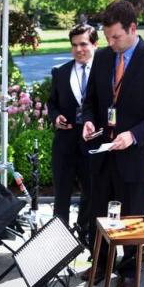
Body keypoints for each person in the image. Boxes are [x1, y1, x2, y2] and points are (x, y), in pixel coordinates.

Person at [81, 0, 144, 287]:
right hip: (102, 154)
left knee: (132, 215)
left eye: (116, 37)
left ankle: (129, 270)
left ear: (133, 28)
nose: (110, 43)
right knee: (98, 210)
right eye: (108, 37)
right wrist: (87, 121)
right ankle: (99, 262)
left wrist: (134, 135)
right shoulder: (103, 57)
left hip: (135, 156)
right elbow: (91, 102)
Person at [47, 24, 98, 243]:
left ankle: (85, 233)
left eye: (84, 44)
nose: (79, 49)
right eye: (74, 45)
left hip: (93, 143)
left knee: (92, 191)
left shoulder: (104, 72)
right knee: (62, 194)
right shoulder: (61, 72)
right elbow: (52, 103)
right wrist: (55, 117)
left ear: (95, 44)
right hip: (65, 142)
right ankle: (60, 240)